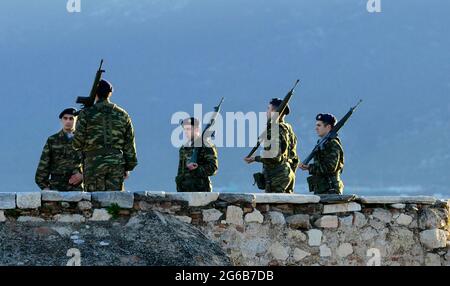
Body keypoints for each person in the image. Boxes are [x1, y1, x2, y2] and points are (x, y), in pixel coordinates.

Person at [73, 79, 138, 191]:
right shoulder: (122, 114)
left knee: (95, 203)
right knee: (116, 203)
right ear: (110, 93)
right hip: (116, 165)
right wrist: (128, 166)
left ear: (95, 94)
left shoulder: (86, 114)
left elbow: (77, 143)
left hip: (93, 165)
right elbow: (129, 144)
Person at [244, 98, 298, 193]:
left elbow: (273, 156)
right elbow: (294, 158)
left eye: (268, 109)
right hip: (288, 175)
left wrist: (255, 158)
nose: (266, 112)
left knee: (275, 207)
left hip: (277, 178)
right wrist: (290, 172)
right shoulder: (288, 129)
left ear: (274, 111)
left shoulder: (274, 129)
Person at [35, 108, 83, 191]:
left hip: (76, 185)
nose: (68, 121)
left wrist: (83, 175)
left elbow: (90, 161)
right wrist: (44, 186)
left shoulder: (82, 140)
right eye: (65, 118)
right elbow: (44, 164)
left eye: (71, 118)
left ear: (76, 120)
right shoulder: (53, 140)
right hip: (56, 185)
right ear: (61, 120)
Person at [298, 113, 345, 194]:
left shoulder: (333, 144)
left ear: (328, 127)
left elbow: (330, 167)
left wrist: (309, 167)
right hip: (322, 188)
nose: (316, 128)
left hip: (330, 189)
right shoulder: (322, 143)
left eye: (319, 125)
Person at [175, 117, 218, 192]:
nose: (185, 132)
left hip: (201, 191)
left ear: (196, 129)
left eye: (188, 129)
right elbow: (181, 171)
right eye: (184, 129)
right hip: (184, 191)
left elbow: (213, 168)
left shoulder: (206, 145)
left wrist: (197, 169)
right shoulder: (184, 148)